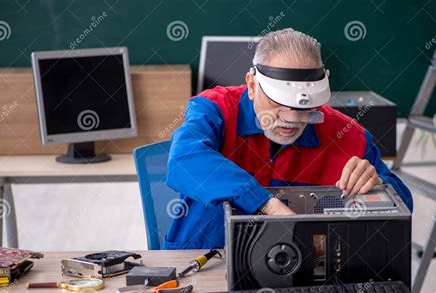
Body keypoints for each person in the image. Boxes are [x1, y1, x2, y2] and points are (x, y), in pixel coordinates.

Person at [163, 28, 412, 249]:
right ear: (251, 85)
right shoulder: (214, 108)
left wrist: (377, 184)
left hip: (300, 268)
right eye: (279, 103)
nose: (291, 118)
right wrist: (265, 204)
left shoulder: (348, 135)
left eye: (304, 107)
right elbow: (183, 159)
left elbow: (403, 204)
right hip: (204, 261)